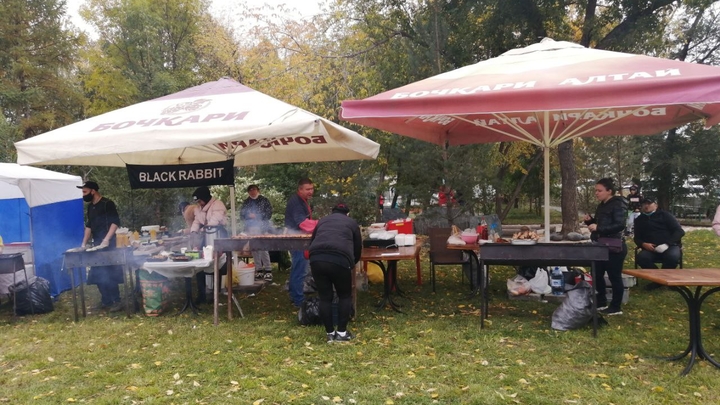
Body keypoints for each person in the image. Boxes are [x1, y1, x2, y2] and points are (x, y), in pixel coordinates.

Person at [308, 203, 362, 343]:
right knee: (344, 295)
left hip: (317, 259)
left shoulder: (322, 221)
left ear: (332, 212)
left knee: (325, 297)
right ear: (347, 213)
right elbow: (358, 248)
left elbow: (312, 241)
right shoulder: (352, 223)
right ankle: (342, 333)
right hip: (340, 259)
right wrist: (352, 263)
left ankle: (330, 333)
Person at [583, 178, 628, 316]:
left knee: (614, 276)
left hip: (614, 246)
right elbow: (600, 224)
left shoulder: (618, 204)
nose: (596, 193)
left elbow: (620, 225)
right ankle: (601, 302)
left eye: (599, 190)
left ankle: (616, 306)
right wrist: (590, 222)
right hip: (600, 245)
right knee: (596, 274)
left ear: (609, 191)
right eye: (596, 190)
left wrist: (599, 227)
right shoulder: (602, 205)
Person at [78, 181, 124, 312]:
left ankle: (116, 301)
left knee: (110, 273)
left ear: (93, 191)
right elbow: (89, 226)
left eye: (85, 192)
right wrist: (83, 244)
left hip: (109, 243)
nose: (83, 195)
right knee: (98, 273)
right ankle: (106, 301)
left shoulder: (107, 203)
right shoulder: (90, 207)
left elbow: (115, 222)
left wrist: (106, 239)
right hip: (97, 244)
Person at [633, 196, 685, 290]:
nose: (646, 206)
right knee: (642, 258)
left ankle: (661, 281)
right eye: (644, 204)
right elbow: (637, 238)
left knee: (672, 257)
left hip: (669, 246)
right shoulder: (639, 220)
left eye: (649, 204)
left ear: (656, 205)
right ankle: (660, 280)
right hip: (651, 248)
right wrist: (643, 244)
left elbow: (679, 231)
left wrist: (667, 244)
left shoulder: (665, 216)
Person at [190, 186, 228, 304]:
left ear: (206, 198)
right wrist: (193, 231)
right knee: (200, 264)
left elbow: (214, 221)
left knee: (218, 264)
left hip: (218, 236)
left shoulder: (218, 205)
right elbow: (197, 221)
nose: (199, 203)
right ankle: (202, 294)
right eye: (198, 201)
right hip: (205, 238)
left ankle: (215, 293)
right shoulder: (198, 208)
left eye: (200, 200)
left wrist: (203, 230)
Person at [284, 178, 318, 307]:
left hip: (298, 238)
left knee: (297, 268)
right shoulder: (296, 202)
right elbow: (303, 223)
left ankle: (295, 296)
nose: (311, 191)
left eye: (312, 189)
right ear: (300, 190)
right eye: (307, 189)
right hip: (296, 240)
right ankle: (298, 300)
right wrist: (321, 224)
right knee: (300, 270)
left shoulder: (302, 200)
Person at [240, 184, 274, 282]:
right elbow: (242, 215)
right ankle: (258, 269)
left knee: (263, 249)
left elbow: (269, 213)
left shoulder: (264, 200)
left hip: (262, 227)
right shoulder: (246, 202)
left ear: (258, 190)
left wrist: (257, 216)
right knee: (255, 249)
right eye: (250, 190)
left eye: (254, 189)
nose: (252, 191)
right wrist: (249, 216)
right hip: (250, 228)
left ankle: (268, 270)